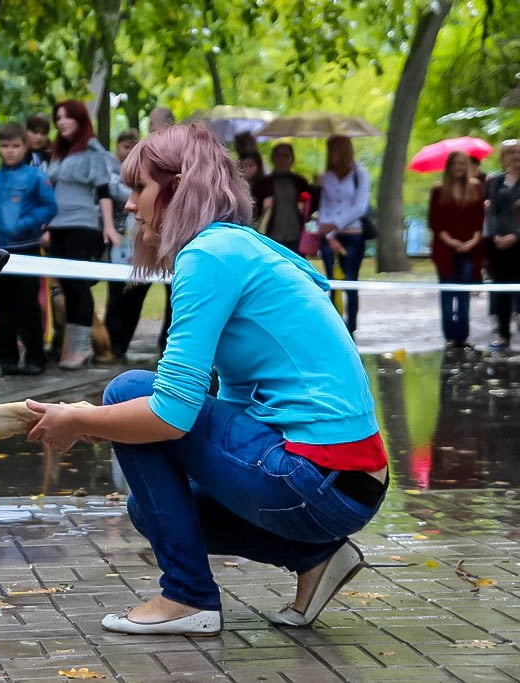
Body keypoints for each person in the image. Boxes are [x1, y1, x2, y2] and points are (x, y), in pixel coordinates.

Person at [26, 123, 387, 636]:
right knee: (149, 508)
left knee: (129, 391)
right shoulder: (237, 249)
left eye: (139, 189)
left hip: (319, 476)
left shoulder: (207, 255)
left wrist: (84, 418)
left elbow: (170, 414)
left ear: (177, 189)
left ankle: (188, 597)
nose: (129, 205)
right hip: (349, 484)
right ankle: (318, 558)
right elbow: (234, 402)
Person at [44, 99, 120, 370]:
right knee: (64, 286)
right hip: (57, 227)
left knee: (78, 286)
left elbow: (104, 192)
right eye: (58, 118)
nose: (61, 122)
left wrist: (109, 227)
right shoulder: (58, 153)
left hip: (83, 227)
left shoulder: (92, 152)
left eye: (66, 117)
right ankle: (71, 345)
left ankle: (82, 347)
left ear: (80, 119)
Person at [0, 122, 58, 376]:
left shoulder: (36, 177)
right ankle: (7, 358)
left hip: (26, 251)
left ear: (25, 147)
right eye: (5, 146)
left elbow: (49, 207)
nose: (10, 151)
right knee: (2, 308)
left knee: (28, 307)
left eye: (15, 146)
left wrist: (23, 224)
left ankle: (35, 358)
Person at [428, 151, 484, 350]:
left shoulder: (476, 188)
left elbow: (480, 220)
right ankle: (449, 336)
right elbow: (434, 222)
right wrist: (451, 241)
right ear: (449, 167)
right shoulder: (438, 190)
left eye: (463, 163)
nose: (459, 167)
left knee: (463, 294)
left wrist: (472, 241)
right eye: (455, 164)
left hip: (470, 248)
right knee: (447, 292)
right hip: (445, 249)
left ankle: (463, 336)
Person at [103, 128, 150, 362]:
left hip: (141, 243)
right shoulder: (108, 171)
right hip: (117, 242)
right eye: (125, 146)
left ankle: (122, 345)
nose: (128, 151)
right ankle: (110, 345)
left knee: (135, 298)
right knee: (115, 298)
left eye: (134, 147)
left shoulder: (147, 174)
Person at [318, 135, 370, 339]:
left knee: (350, 280)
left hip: (353, 235)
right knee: (332, 281)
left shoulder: (360, 174)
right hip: (330, 237)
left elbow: (360, 206)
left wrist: (337, 225)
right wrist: (329, 234)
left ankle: (351, 326)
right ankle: (335, 325)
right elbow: (324, 207)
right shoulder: (327, 177)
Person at [484, 139, 520, 350]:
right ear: (504, 156)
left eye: (519, 153)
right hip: (498, 245)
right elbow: (491, 211)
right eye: (512, 153)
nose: (516, 157)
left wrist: (515, 235)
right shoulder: (495, 181)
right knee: (500, 290)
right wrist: (495, 235)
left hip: (519, 243)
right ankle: (503, 334)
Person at [148, 105, 176, 354]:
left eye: (152, 127)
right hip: (155, 234)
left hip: (173, 233)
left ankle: (169, 341)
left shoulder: (175, 158)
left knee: (176, 290)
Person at [252, 143, 313, 252]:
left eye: (286, 156)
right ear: (273, 158)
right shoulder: (263, 183)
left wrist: (317, 189)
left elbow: (313, 206)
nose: (282, 159)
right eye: (278, 156)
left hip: (296, 236)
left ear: (292, 158)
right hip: (271, 235)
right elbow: (253, 210)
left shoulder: (300, 182)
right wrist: (263, 206)